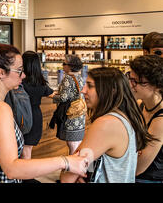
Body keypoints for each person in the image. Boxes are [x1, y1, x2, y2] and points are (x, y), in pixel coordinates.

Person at [0, 44, 89, 183]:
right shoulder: (0, 109)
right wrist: (65, 161)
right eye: (19, 70)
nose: (23, 75)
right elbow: (12, 169)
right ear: (1, 73)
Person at [61, 67, 155, 183]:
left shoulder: (107, 124)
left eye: (90, 86)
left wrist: (74, 170)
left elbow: (68, 175)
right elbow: (89, 158)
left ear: (111, 90)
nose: (83, 90)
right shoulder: (122, 117)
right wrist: (84, 172)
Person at [128, 55, 163, 183]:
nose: (131, 85)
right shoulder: (140, 105)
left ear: (157, 85)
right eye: (131, 79)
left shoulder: (160, 121)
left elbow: (139, 167)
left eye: (137, 82)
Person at [17, 51, 54, 160]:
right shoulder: (41, 81)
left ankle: (24, 176)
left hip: (22, 115)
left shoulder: (20, 81)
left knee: (22, 150)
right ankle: (24, 175)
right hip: (36, 115)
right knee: (28, 149)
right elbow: (52, 94)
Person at [49, 54, 85, 155]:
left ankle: (74, 168)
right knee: (77, 144)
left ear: (70, 65)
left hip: (71, 116)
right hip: (79, 115)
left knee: (72, 146)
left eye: (64, 63)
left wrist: (51, 96)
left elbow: (63, 98)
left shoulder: (68, 78)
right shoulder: (79, 77)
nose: (62, 66)